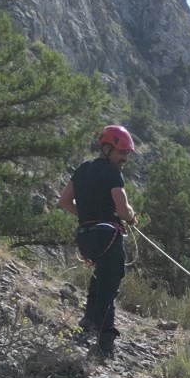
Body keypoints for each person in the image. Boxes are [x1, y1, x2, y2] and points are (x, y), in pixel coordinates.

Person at [59, 124, 139, 354]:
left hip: (85, 238)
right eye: (120, 152)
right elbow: (123, 211)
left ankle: (89, 321)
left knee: (99, 275)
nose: (124, 158)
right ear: (106, 149)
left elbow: (64, 202)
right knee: (109, 285)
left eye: (126, 154)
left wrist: (86, 215)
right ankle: (105, 343)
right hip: (108, 236)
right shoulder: (113, 174)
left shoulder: (83, 169)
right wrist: (131, 218)